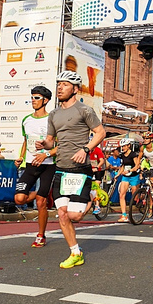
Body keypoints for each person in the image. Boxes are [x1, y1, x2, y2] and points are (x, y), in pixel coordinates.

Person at [36, 71, 106, 268]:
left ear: (75, 89)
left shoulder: (85, 110)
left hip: (80, 169)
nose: (59, 88)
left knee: (75, 216)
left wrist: (86, 149)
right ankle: (75, 253)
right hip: (61, 169)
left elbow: (100, 133)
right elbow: (51, 142)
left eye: (64, 85)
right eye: (58, 84)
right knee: (63, 214)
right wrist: (45, 144)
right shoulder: (54, 114)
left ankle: (93, 194)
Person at [13, 86, 57, 248]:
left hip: (48, 165)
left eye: (37, 98)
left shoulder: (52, 119)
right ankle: (43, 193)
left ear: (45, 101)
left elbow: (60, 145)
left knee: (40, 203)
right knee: (19, 199)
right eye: (32, 97)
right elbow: (26, 142)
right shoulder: (26, 120)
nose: (33, 100)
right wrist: (20, 157)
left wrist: (46, 154)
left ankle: (41, 235)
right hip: (31, 165)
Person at [116, 137, 141, 223]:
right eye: (122, 146)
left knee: (134, 193)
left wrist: (130, 170)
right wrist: (118, 174)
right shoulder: (122, 155)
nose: (123, 148)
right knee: (122, 194)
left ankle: (140, 199)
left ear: (128, 146)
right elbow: (122, 166)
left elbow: (137, 165)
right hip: (125, 176)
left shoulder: (133, 154)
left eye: (124, 146)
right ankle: (124, 215)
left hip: (134, 175)